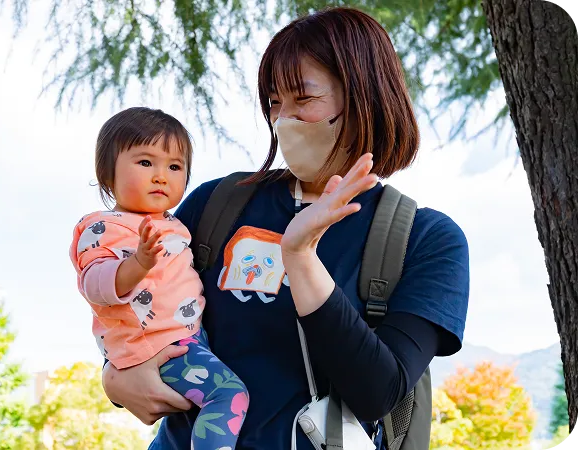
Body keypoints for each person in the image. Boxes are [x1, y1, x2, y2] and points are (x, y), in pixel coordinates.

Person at [100, 7, 470, 450]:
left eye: (304, 99)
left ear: (363, 99)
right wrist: (112, 374)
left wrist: (299, 256)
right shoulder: (215, 204)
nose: (283, 119)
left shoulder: (426, 239)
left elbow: (379, 392)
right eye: (275, 102)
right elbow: (130, 303)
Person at [70, 107, 249, 450]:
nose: (161, 175)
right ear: (108, 174)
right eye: (145, 162)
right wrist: (138, 263)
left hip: (187, 338)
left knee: (201, 408)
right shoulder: (103, 227)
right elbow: (95, 285)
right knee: (229, 395)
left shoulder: (175, 225)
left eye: (174, 166)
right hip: (157, 347)